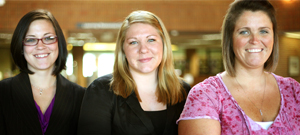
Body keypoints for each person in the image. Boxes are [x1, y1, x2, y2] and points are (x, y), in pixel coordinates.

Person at [177, 0, 300, 134]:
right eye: (244, 32)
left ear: (273, 37)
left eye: (263, 31)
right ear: (230, 38)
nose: (255, 40)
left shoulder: (294, 91)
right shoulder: (206, 95)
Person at [77, 10, 191, 135]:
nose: (143, 49)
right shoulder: (101, 90)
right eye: (133, 42)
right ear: (123, 50)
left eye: (151, 40)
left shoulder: (184, 92)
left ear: (164, 44)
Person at [0, 9, 85, 135]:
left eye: (48, 38)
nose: (40, 46)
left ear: (59, 43)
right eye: (30, 40)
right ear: (21, 47)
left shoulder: (81, 96)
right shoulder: (3, 92)